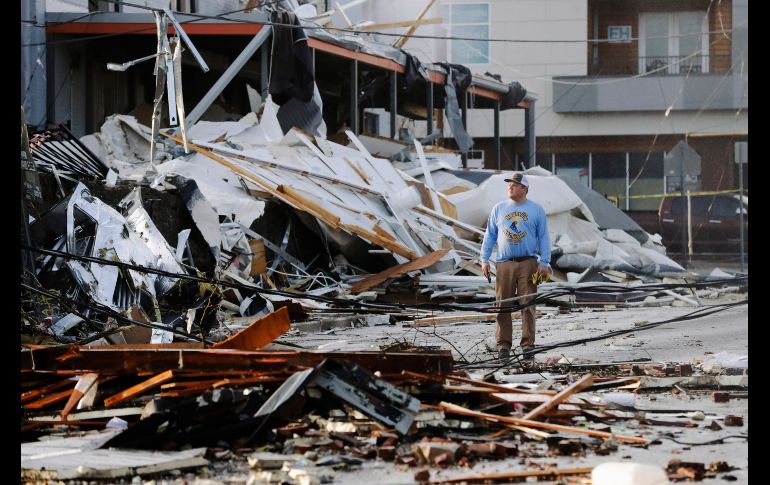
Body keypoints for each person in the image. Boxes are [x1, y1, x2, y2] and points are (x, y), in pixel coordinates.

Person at [480, 173, 551, 361]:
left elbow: (544, 237)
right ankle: (503, 345)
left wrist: (544, 262)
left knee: (527, 305)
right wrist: (485, 259)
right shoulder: (499, 209)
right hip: (504, 263)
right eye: (509, 184)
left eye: (515, 184)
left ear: (525, 189)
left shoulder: (536, 210)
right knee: (502, 305)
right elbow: (489, 236)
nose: (510, 186)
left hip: (528, 263)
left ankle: (528, 345)